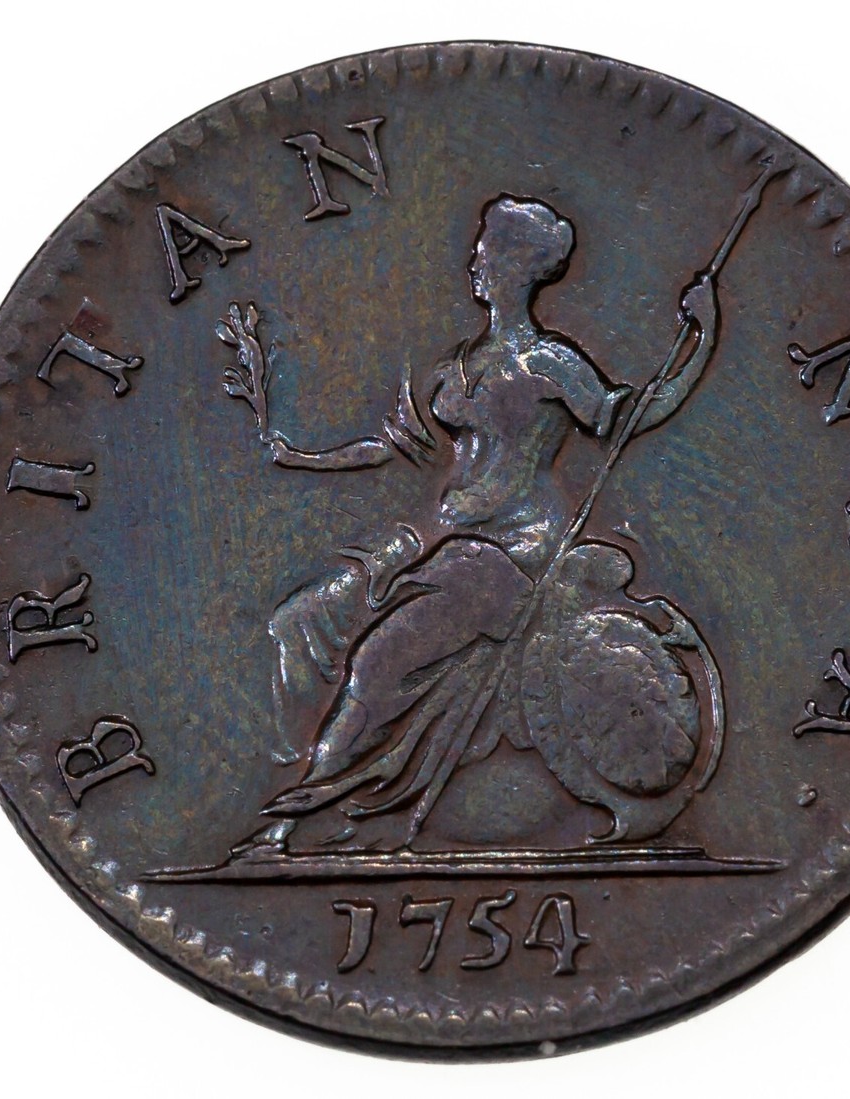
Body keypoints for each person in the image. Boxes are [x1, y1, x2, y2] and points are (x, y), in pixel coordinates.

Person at [218, 195, 719, 857]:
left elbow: (629, 417)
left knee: (376, 664)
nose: (473, 260)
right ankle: (309, 799)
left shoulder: (550, 365)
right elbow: (396, 447)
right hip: (443, 540)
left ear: (517, 266)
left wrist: (701, 340)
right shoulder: (456, 363)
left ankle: (291, 826)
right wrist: (299, 455)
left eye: (486, 249)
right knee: (301, 621)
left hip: (514, 550)